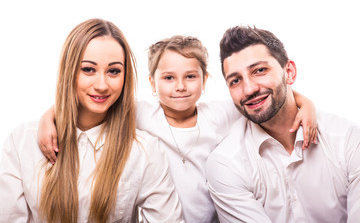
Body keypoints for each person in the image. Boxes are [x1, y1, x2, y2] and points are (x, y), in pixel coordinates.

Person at [37, 35, 317, 222]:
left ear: (205, 80)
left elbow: (261, 100)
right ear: (151, 83)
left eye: (190, 76)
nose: (180, 86)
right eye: (168, 77)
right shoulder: (141, 114)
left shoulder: (220, 114)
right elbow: (97, 101)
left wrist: (307, 105)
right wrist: (50, 116)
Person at [0, 18, 183, 223]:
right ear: (69, 72)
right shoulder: (21, 142)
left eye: (114, 71)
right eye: (88, 69)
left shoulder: (145, 151)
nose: (102, 84)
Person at [206, 26, 360, 223]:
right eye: (235, 81)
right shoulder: (226, 163)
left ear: (289, 72)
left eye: (259, 70)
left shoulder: (347, 140)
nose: (249, 89)